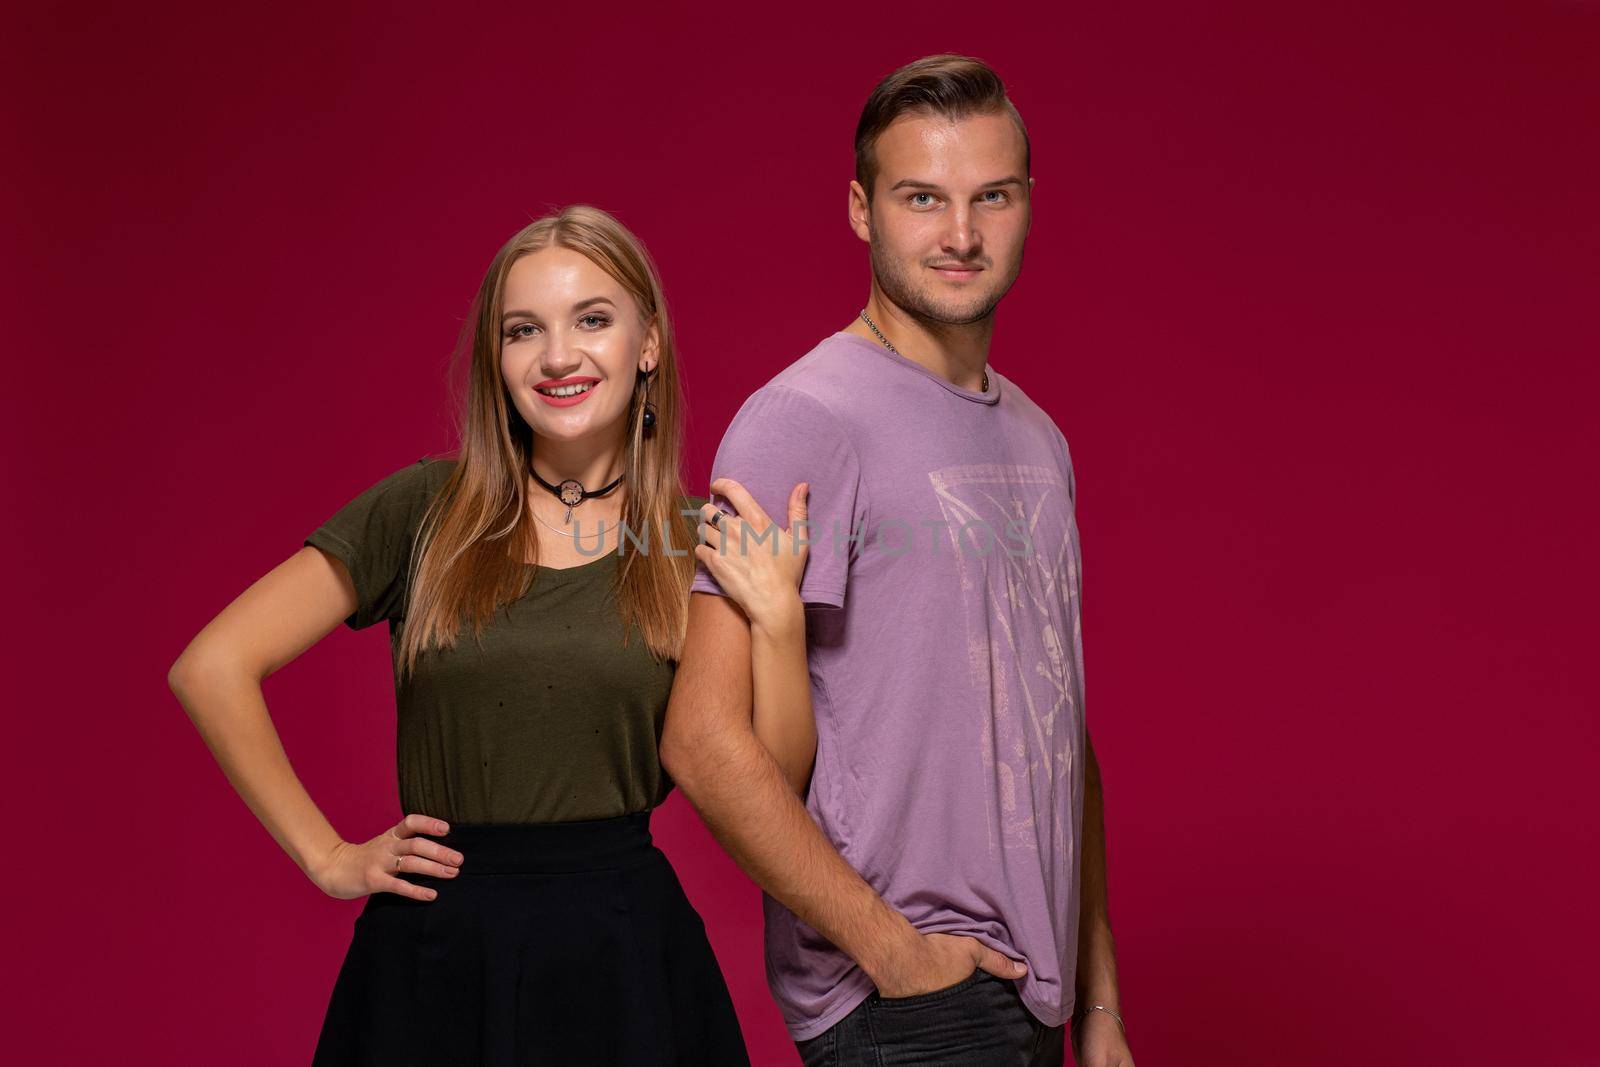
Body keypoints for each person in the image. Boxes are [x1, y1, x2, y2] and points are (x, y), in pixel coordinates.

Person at [167, 204, 752, 1065]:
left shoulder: (696, 537)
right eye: (525, 330)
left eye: (592, 319)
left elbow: (767, 762)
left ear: (649, 343)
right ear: (497, 357)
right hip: (437, 951)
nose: (558, 355)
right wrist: (328, 856)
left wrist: (775, 612)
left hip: (624, 957)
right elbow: (211, 666)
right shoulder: (425, 510)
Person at [660, 55, 1137, 1066]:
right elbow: (703, 738)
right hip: (908, 1001)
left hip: (1034, 1001)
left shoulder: (1040, 441)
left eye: (989, 197)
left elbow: (1065, 740)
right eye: (922, 198)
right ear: (860, 208)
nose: (960, 235)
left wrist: (1098, 1004)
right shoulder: (801, 421)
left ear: (1026, 205)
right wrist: (893, 950)